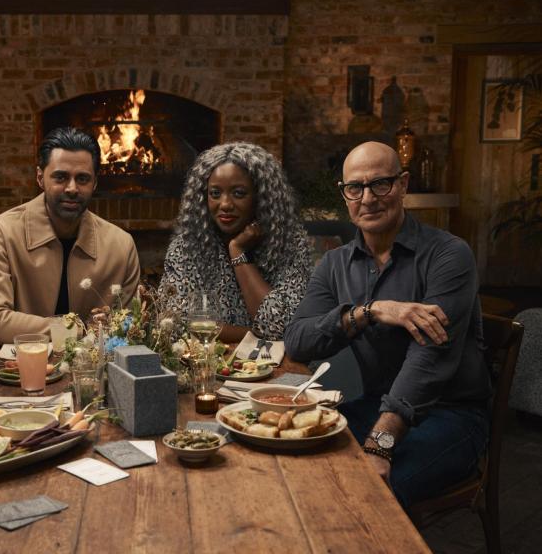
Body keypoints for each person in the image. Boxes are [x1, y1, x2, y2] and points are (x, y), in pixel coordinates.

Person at [284, 141, 491, 508]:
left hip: (452, 417)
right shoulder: (334, 265)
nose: (368, 198)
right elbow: (298, 342)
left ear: (403, 184)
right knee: (291, 452)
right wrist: (370, 310)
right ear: (344, 195)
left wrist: (380, 444)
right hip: (376, 406)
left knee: (370, 492)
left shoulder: (449, 254)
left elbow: (429, 362)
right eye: (355, 188)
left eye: (381, 183)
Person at [0, 127, 140, 344]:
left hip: (96, 373)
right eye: (60, 177)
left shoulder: (121, 246)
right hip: (16, 370)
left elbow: (131, 328)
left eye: (82, 179)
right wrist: (76, 329)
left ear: (95, 183)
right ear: (40, 177)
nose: (72, 188)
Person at [158, 142, 311, 341]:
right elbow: (175, 325)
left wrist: (238, 252)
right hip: (208, 363)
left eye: (239, 193)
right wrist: (253, 335)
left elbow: (282, 327)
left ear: (261, 197)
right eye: (215, 193)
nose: (225, 204)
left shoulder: (290, 245)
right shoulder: (187, 247)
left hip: (278, 365)